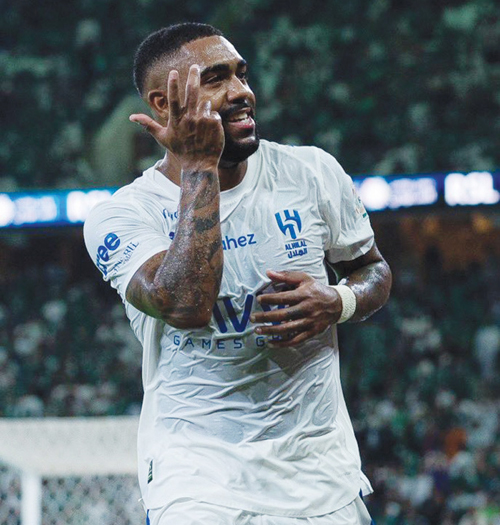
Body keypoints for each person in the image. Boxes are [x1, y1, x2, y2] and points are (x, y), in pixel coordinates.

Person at [84, 22, 392, 525]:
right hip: (198, 482)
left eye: (241, 74)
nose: (242, 92)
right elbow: (183, 305)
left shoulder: (311, 172)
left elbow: (372, 269)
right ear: (163, 105)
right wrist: (199, 166)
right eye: (215, 79)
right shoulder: (121, 216)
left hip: (321, 477)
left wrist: (340, 301)